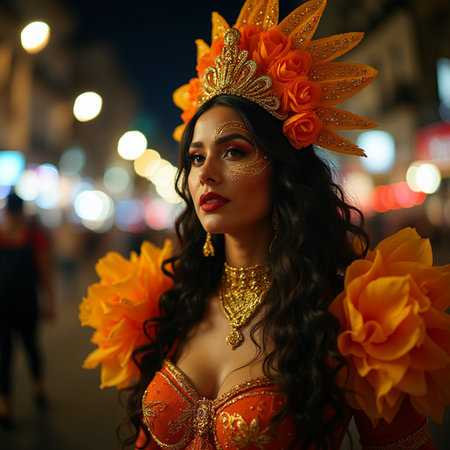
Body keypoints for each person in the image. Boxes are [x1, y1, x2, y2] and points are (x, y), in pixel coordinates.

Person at [84, 0, 445, 448]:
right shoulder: (167, 303)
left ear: (284, 168)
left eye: (234, 151)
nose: (206, 173)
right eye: (196, 158)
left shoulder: (357, 320)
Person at [0, 191, 55, 429]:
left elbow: (43, 270)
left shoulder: (32, 237)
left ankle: (34, 387)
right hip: (12, 304)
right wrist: (49, 299)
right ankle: (7, 404)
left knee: (27, 346)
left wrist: (49, 299)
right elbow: (44, 271)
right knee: (7, 353)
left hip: (21, 302)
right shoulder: (32, 236)